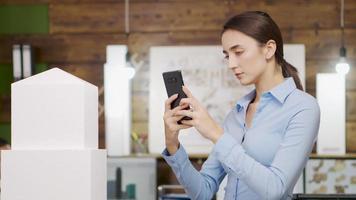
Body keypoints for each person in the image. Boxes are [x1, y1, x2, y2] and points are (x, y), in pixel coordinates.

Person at [162, 11, 320, 200]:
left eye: (238, 52)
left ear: (269, 49)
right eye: (227, 56)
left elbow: (275, 189)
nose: (231, 64)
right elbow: (202, 192)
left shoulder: (303, 108)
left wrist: (215, 134)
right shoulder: (236, 115)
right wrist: (172, 144)